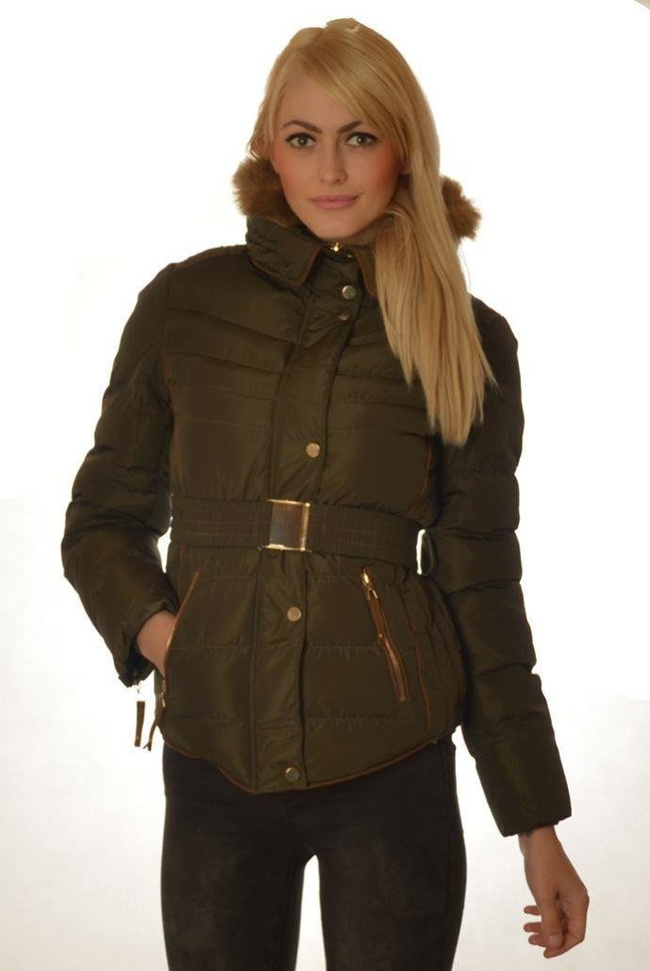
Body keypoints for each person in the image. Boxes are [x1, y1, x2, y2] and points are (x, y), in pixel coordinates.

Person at [60, 17, 589, 971]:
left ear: (403, 149)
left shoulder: (467, 336)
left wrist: (536, 824)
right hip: (216, 760)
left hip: (396, 764)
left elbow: (481, 584)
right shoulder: (185, 304)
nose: (331, 169)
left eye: (360, 136)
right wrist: (170, 637)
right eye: (304, 138)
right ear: (269, 147)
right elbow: (102, 521)